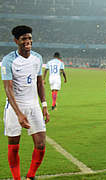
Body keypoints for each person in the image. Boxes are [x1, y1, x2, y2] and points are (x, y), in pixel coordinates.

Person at [1, 25, 50, 180]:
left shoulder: (37, 58)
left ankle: (30, 176)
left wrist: (44, 105)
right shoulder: (8, 61)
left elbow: (39, 83)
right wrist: (19, 114)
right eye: (24, 39)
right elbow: (8, 89)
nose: (28, 41)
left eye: (29, 38)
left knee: (41, 144)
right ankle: (17, 178)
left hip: (33, 105)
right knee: (14, 145)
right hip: (15, 107)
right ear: (16, 41)